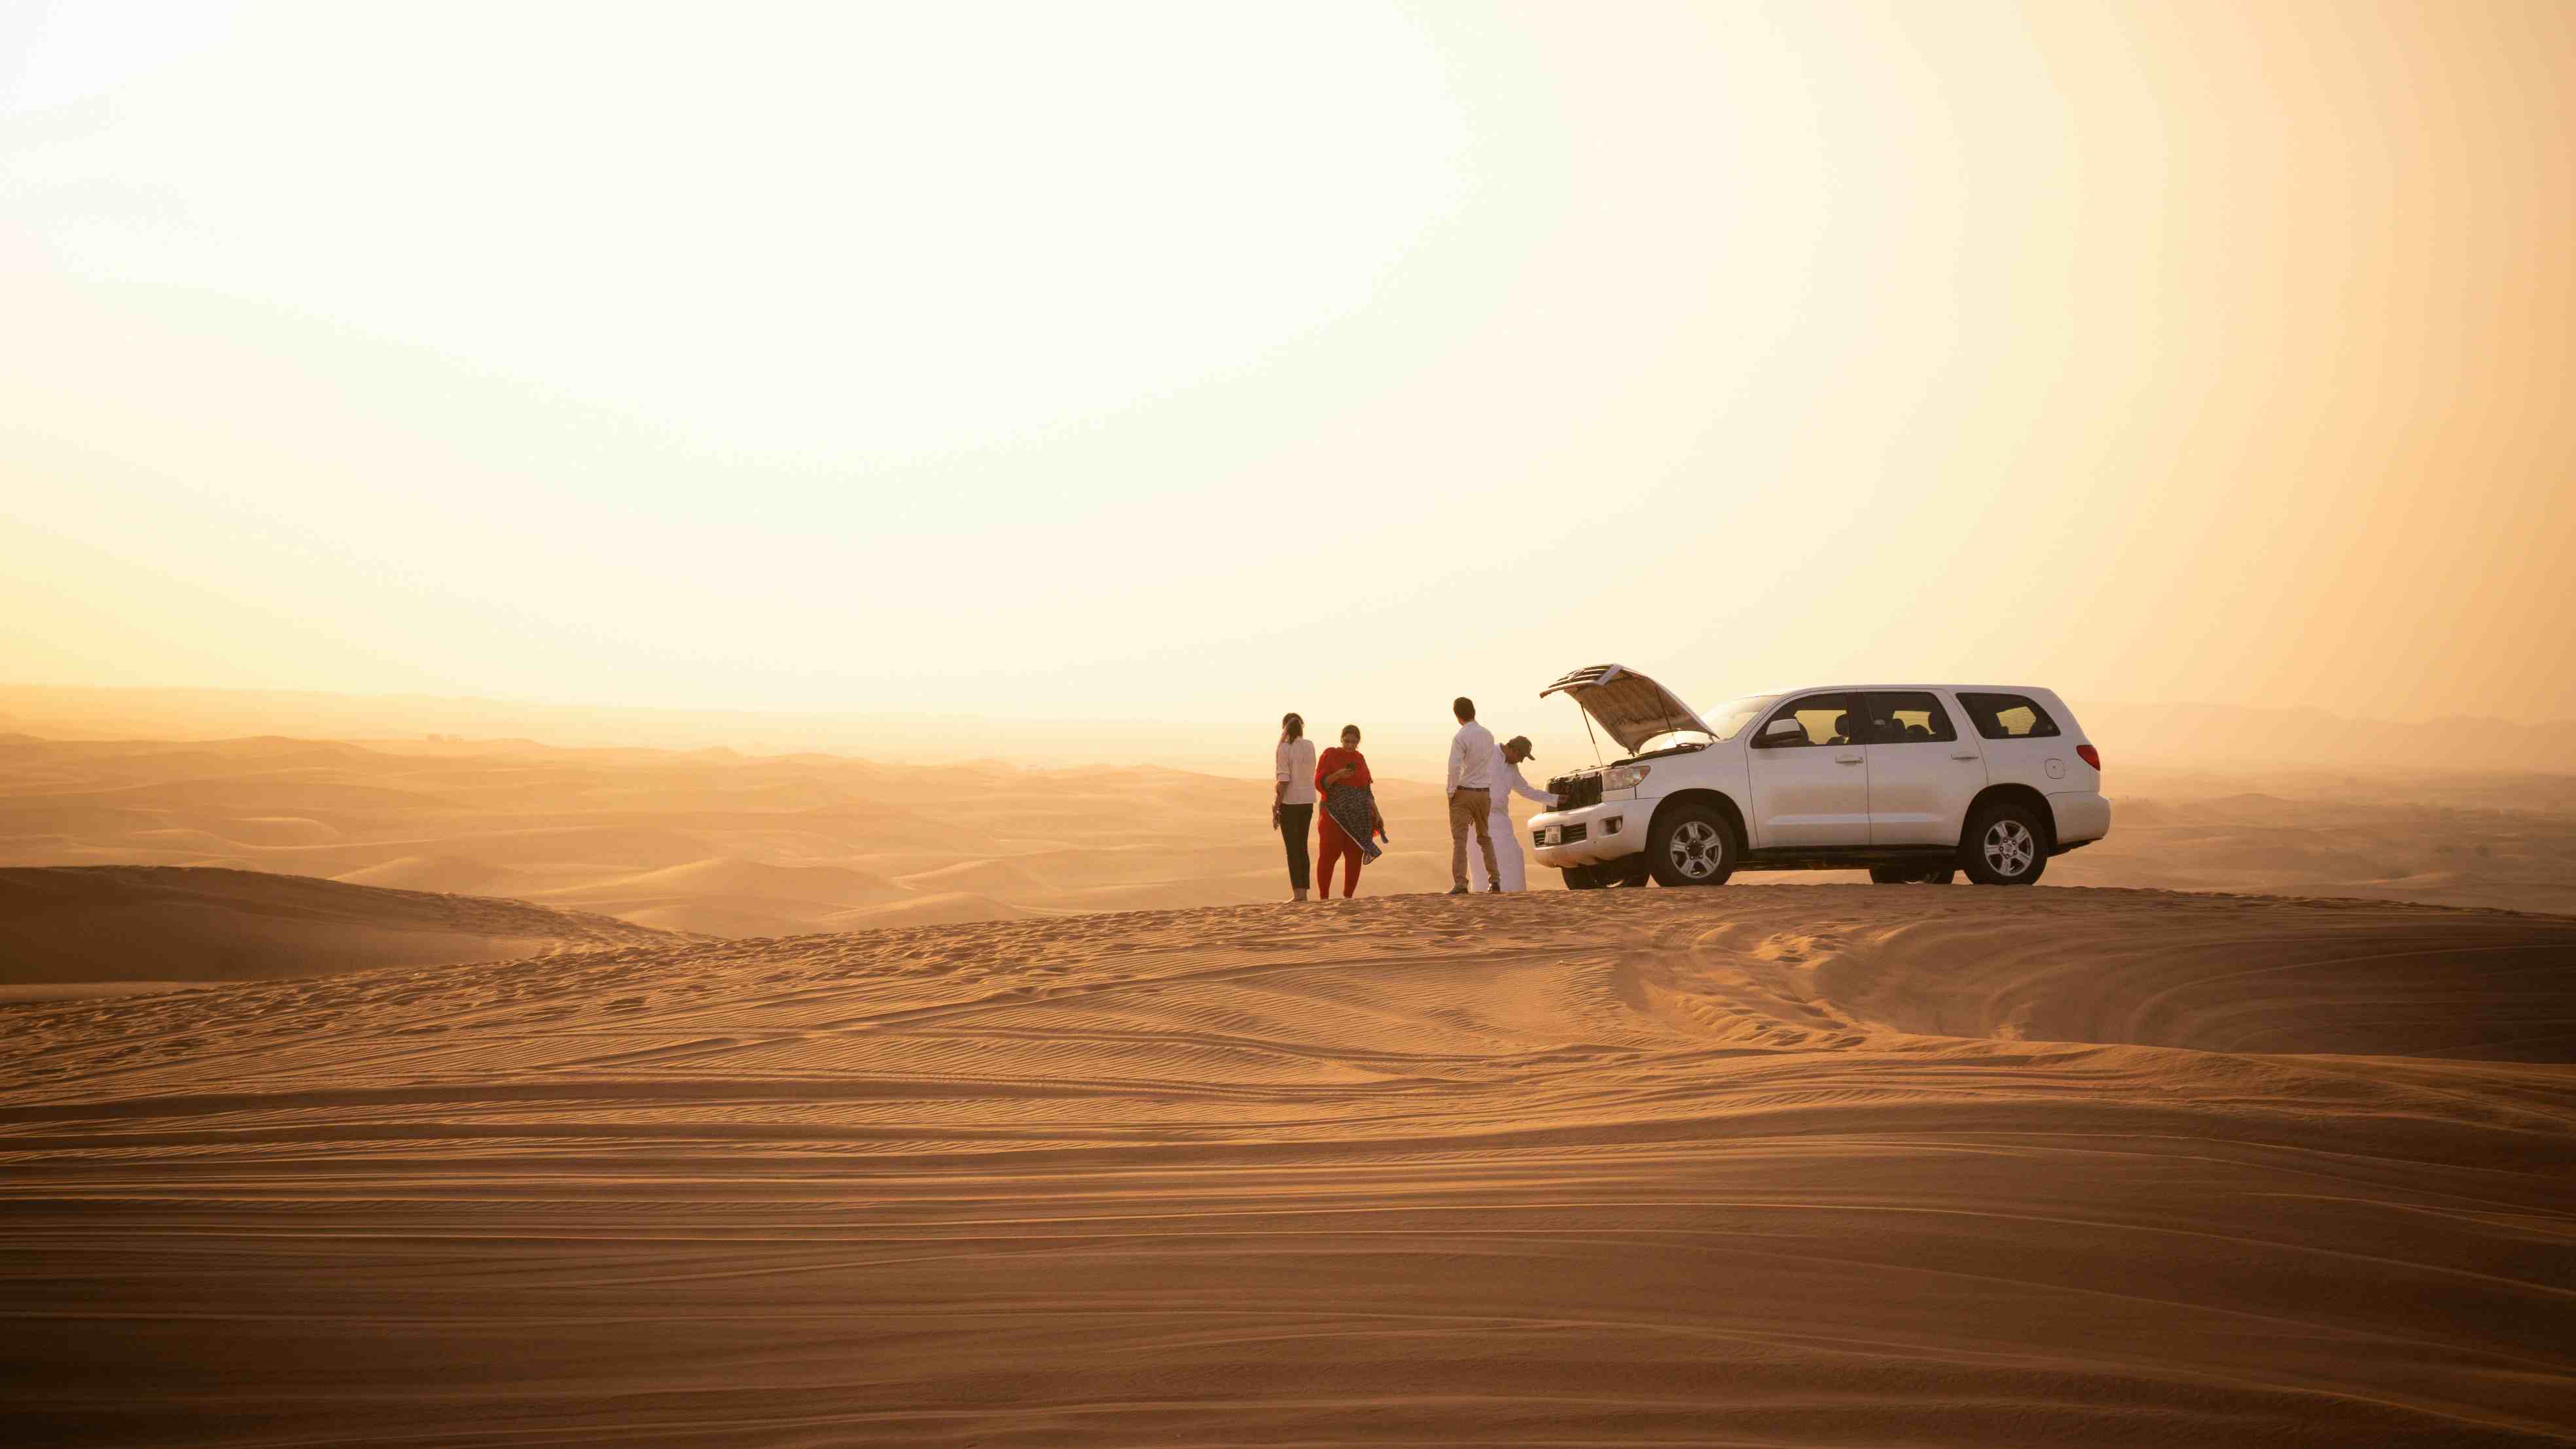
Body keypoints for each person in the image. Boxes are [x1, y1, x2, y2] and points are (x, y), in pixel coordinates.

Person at [1467, 734, 1558, 892]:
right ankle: (1483, 895)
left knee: (1513, 855)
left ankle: (1513, 895)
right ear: (1513, 750)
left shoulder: (1512, 768)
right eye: (1521, 756)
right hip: (1479, 815)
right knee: (1481, 860)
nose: (1520, 761)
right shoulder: (1487, 753)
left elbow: (1526, 790)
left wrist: (1555, 799)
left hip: (1501, 819)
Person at [1312, 723, 1386, 900]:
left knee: (1354, 856)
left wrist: (1377, 813)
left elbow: (1367, 790)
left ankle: (1348, 898)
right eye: (1347, 741)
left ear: (1358, 742)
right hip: (1333, 814)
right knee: (1328, 854)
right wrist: (1338, 775)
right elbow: (1321, 783)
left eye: (1354, 742)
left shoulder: (1360, 759)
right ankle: (1324, 897)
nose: (1350, 745)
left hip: (1359, 817)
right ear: (1341, 739)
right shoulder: (1330, 754)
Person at [1444, 696, 1501, 895]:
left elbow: (1454, 766)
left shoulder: (1461, 737)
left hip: (1465, 791)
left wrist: (1451, 792)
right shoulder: (1488, 735)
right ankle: (1495, 880)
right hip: (1484, 793)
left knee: (1460, 841)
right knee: (1485, 837)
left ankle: (1461, 883)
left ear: (1457, 715)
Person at [1272, 712, 1316, 901]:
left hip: (1290, 802)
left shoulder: (1284, 748)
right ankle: (1303, 893)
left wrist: (1276, 804)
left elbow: (1284, 779)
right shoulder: (1310, 746)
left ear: (1284, 727)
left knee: (1292, 848)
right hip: (1307, 800)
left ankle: (1297, 894)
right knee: (1302, 847)